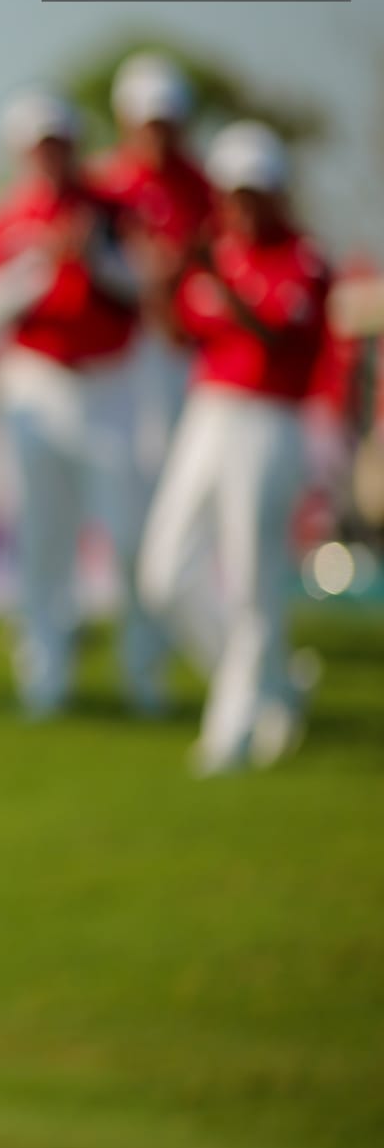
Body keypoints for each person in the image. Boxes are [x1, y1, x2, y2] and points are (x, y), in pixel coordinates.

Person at [0, 88, 168, 719]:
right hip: (35, 380)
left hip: (109, 383)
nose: (50, 156)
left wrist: (93, 257)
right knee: (42, 538)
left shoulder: (115, 210)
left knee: (130, 536)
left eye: (59, 142)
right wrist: (40, 266)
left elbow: (147, 284)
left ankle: (143, 675)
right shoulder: (3, 218)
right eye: (39, 145)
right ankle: (44, 678)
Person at [139, 122, 329, 774]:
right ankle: (268, 683)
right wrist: (167, 278)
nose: (241, 207)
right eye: (231, 194)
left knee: (253, 576)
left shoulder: (302, 258)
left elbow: (276, 334)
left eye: (253, 193)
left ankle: (234, 727)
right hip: (209, 412)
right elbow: (177, 331)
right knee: (163, 570)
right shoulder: (217, 255)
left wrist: (213, 272)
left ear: (276, 193)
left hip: (271, 420)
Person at [91, 53, 215, 491]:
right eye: (148, 122)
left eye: (166, 121)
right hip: (116, 349)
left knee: (181, 464)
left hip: (185, 345)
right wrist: (147, 271)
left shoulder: (206, 186)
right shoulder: (103, 184)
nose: (157, 134)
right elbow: (95, 264)